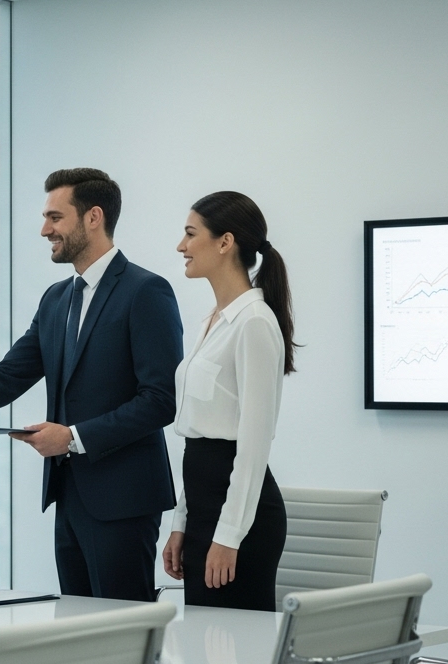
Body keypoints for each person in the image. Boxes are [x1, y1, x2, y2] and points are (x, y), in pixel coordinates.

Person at [0, 168, 182, 602]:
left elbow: (161, 401)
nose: (44, 229)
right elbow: (7, 376)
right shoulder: (57, 299)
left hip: (124, 498)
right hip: (69, 496)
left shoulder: (146, 292)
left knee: (122, 631)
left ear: (93, 218)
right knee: (77, 630)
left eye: (55, 217)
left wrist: (72, 437)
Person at [161, 192, 296, 612]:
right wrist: (181, 522)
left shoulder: (254, 323)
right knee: (206, 643)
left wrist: (229, 535)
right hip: (204, 506)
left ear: (225, 242)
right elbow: (197, 439)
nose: (181, 246)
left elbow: (254, 445)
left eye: (190, 234)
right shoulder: (214, 321)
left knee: (231, 647)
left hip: (239, 519)